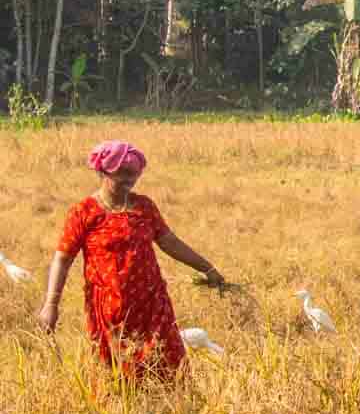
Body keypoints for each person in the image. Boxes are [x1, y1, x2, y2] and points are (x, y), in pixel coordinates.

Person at [36, 141, 225, 380]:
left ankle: (170, 412)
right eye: (123, 174)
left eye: (134, 175)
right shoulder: (83, 212)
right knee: (116, 376)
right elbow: (62, 260)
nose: (130, 180)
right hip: (108, 309)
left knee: (167, 368)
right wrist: (51, 304)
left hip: (151, 303)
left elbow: (170, 242)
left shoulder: (144, 207)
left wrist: (208, 268)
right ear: (103, 171)